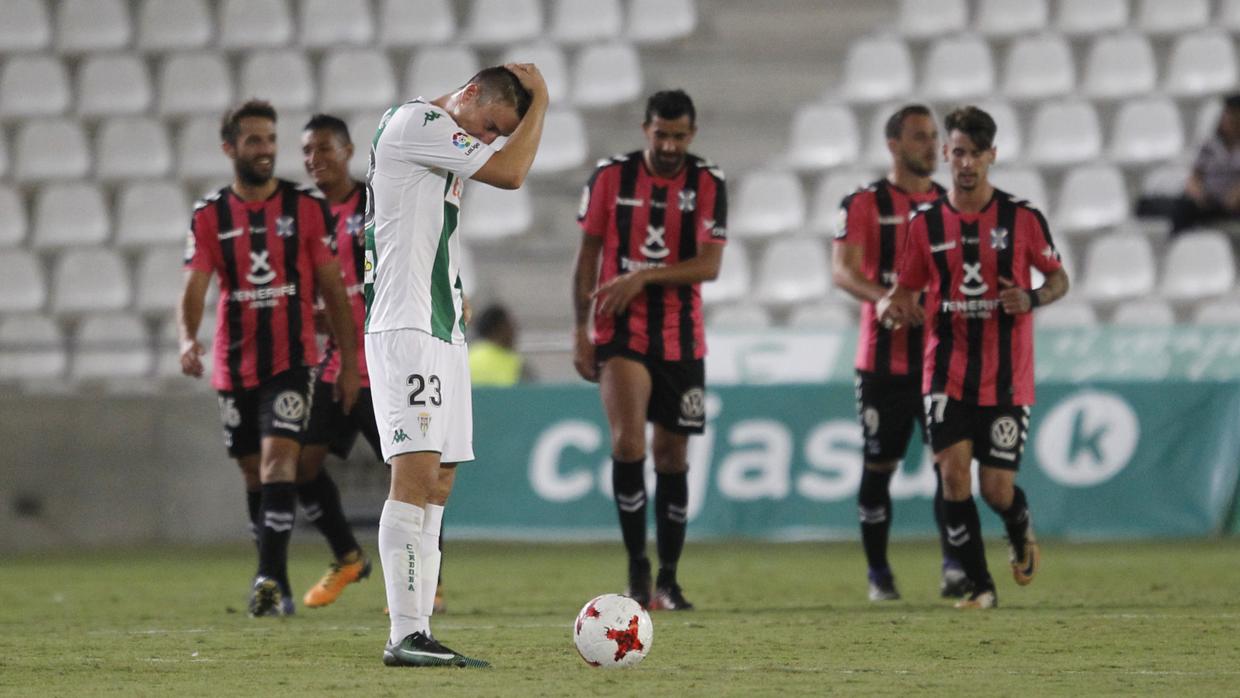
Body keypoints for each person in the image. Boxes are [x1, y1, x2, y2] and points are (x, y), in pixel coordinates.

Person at [365, 64, 547, 667]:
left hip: (441, 327)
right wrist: (542, 101)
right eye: (490, 125)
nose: (488, 140)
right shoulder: (415, 121)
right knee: (414, 477)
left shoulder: (443, 138)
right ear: (469, 94)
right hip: (406, 325)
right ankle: (404, 633)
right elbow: (512, 174)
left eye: (497, 134)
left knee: (440, 481)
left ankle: (419, 630)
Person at [878, 106, 1069, 609]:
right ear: (946, 153)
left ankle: (1018, 524)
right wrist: (893, 311)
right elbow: (905, 290)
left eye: (976, 154)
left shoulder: (1022, 219)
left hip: (1007, 376)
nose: (966, 163)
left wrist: (1031, 298)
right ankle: (981, 587)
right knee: (953, 476)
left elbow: (1059, 280)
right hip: (945, 370)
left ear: (992, 156)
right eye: (958, 152)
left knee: (996, 489)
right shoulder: (924, 224)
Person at [179, 99, 361, 617]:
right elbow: (194, 286)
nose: (266, 149)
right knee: (253, 475)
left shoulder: (305, 207)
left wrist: (348, 364)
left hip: (293, 361)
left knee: (280, 461)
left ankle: (268, 579)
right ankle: (277, 583)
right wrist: (186, 339)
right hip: (233, 364)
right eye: (254, 140)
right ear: (230, 148)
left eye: (271, 139)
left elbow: (334, 289)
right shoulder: (209, 215)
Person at [572, 90, 727, 612]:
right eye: (661, 134)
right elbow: (587, 256)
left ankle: (669, 579)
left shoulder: (708, 182)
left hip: (682, 337)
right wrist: (579, 330)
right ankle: (638, 568)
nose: (669, 145)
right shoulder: (610, 177)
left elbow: (709, 265)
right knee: (628, 443)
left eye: (679, 136)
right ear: (646, 130)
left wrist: (643, 276)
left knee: (672, 455)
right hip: (621, 330)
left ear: (692, 134)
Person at [833, 104, 968, 603]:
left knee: (950, 465)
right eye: (919, 137)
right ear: (893, 145)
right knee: (879, 466)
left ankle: (954, 567)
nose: (931, 146)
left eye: (934, 136)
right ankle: (879, 574)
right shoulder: (863, 203)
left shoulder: (951, 204)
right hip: (881, 364)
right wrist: (885, 298)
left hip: (939, 360)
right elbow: (843, 270)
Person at [294, 114, 377, 609]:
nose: (314, 159)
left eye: (324, 148)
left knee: (410, 472)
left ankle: (428, 582)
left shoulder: (376, 202)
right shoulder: (301, 214)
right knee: (301, 466)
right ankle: (347, 556)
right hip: (333, 360)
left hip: (381, 356)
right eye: (307, 151)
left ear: (347, 151)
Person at [468, 304, 531, 386]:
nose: (514, 332)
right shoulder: (516, 363)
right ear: (500, 328)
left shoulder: (468, 357)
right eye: (511, 326)